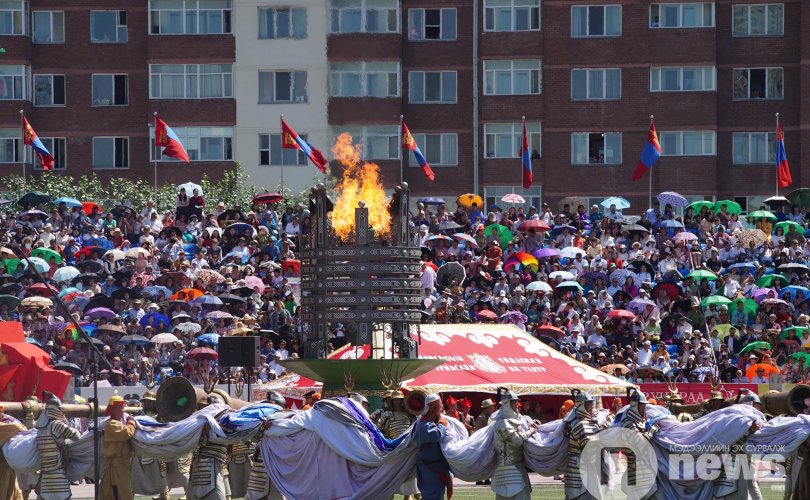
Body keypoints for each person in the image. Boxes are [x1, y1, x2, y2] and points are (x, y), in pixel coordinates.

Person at [491, 388, 542, 500]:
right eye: (513, 403)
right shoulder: (502, 423)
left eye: (516, 403)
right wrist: (531, 430)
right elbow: (517, 440)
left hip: (517, 467)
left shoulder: (511, 419)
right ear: (507, 404)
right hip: (509, 471)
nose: (517, 406)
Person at [563, 390, 608, 499]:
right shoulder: (579, 424)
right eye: (588, 404)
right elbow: (590, 448)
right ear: (581, 406)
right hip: (579, 473)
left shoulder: (589, 422)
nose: (591, 407)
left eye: (591, 404)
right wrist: (604, 430)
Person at [35, 393, 81, 500]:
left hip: (45, 474)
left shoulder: (40, 429)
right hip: (58, 474)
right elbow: (76, 435)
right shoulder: (56, 425)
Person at [99, 395, 138, 500]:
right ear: (115, 410)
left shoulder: (117, 423)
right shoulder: (112, 424)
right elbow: (127, 432)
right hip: (117, 469)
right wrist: (132, 421)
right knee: (123, 495)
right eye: (121, 408)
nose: (123, 411)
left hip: (121, 467)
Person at [620, 390, 657, 498]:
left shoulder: (642, 421)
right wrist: (652, 431)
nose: (644, 408)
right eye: (642, 405)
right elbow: (641, 442)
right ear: (635, 406)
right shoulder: (628, 422)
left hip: (645, 466)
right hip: (635, 468)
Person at [415, 394, 452, 500]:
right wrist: (442, 423)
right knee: (432, 496)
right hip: (429, 468)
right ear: (432, 408)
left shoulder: (429, 422)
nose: (442, 408)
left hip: (435, 467)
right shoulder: (423, 424)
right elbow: (436, 435)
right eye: (440, 406)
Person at [0, 405, 25, 500]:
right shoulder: (5, 427)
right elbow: (16, 427)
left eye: (2, 411)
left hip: (8, 468)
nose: (2, 414)